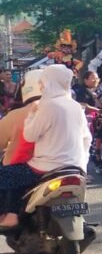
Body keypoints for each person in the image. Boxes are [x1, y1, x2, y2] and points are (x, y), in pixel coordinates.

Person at [0, 66, 91, 228]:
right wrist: (82, 161)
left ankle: (11, 215)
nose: (42, 85)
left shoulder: (45, 106)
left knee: (7, 175)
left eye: (43, 82)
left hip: (45, 167)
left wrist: (32, 116)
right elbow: (87, 138)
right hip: (75, 167)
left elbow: (30, 136)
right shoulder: (75, 106)